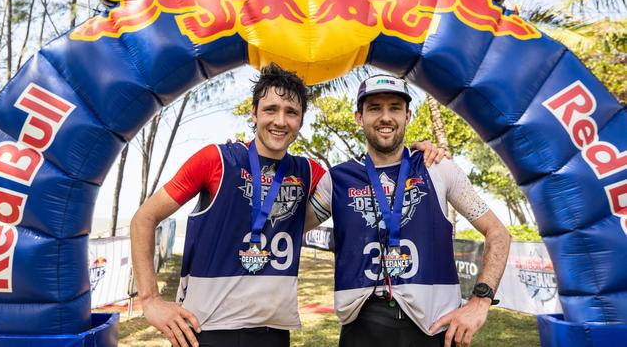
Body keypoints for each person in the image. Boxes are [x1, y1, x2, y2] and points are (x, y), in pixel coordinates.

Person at [130, 64, 446, 347]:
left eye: (291, 112)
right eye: (271, 109)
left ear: (300, 120)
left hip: (274, 333)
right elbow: (144, 219)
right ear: (253, 114)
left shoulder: (311, 173)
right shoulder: (216, 159)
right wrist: (151, 299)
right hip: (206, 329)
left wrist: (416, 154)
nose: (280, 121)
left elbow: (366, 176)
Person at [307, 74, 512, 347]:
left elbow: (498, 232)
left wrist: (481, 300)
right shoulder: (337, 179)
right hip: (361, 328)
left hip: (432, 328)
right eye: (374, 108)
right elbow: (289, 226)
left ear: (408, 116)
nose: (385, 117)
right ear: (359, 117)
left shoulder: (437, 168)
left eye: (394, 107)